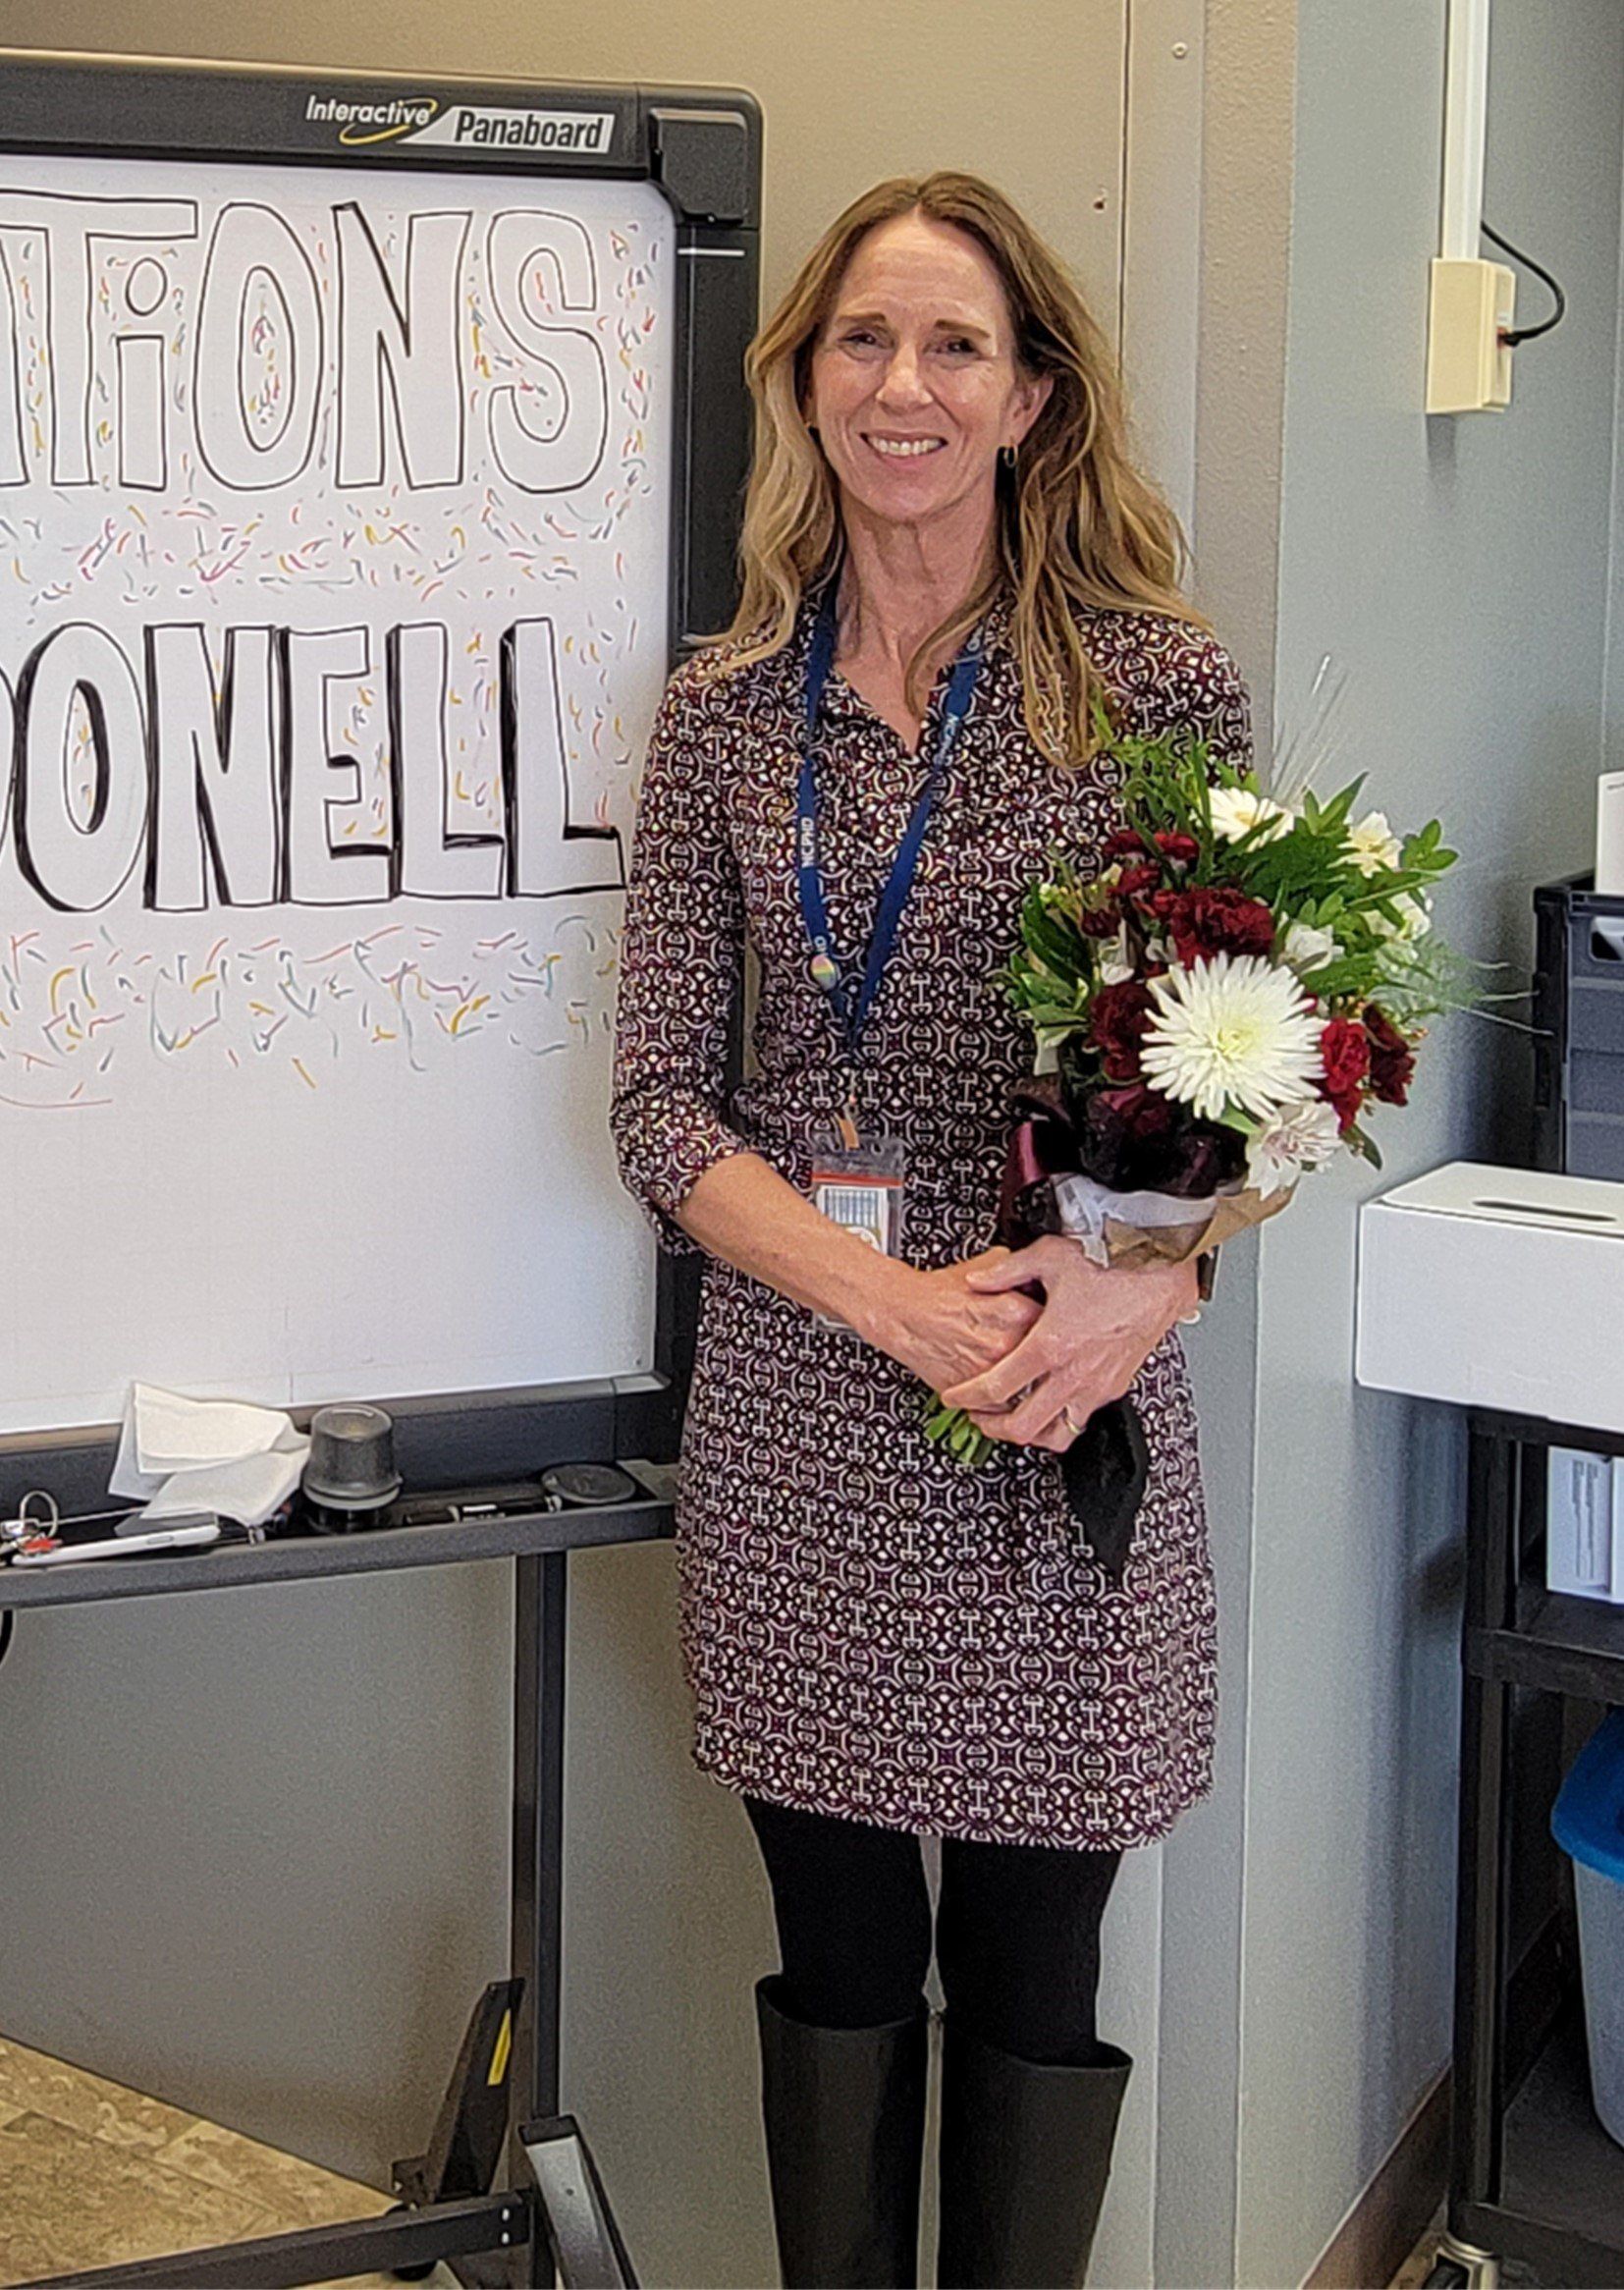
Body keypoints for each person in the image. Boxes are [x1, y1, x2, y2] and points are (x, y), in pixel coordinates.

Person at [610, 171, 1252, 2290]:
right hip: (811, 1401)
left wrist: (1143, 1281)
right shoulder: (719, 713)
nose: (903, 385)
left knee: (1033, 1957)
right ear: (802, 381)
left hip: (1055, 1415)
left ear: (1032, 394)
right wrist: (888, 1298)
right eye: (862, 341)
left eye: (953, 343)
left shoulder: (1157, 694)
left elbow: (1246, 1085)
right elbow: (657, 1108)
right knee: (845, 1948)